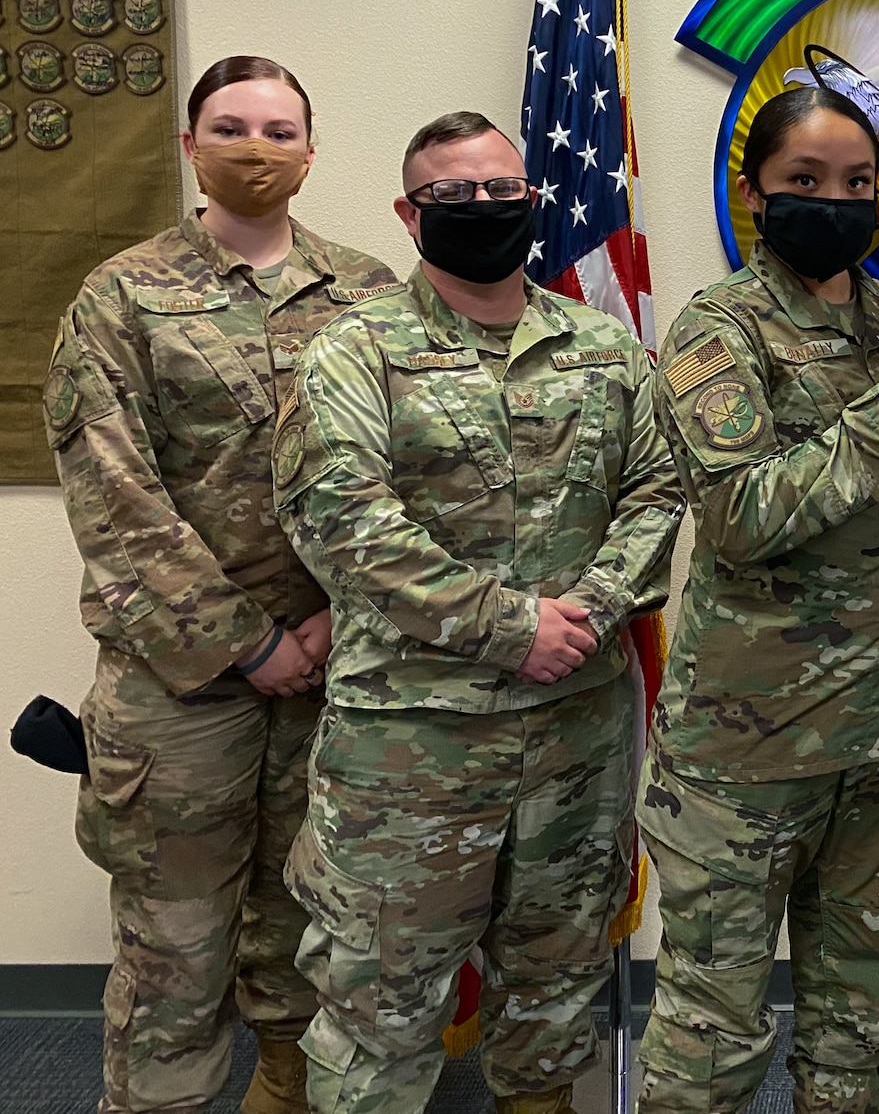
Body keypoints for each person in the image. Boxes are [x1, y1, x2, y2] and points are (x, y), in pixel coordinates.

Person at [273, 110, 682, 1114]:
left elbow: (658, 489)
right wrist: (512, 628)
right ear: (410, 214)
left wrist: (583, 612)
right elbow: (343, 521)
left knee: (552, 1004)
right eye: (455, 196)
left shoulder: (602, 345)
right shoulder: (353, 351)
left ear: (533, 202)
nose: (484, 210)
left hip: (574, 745)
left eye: (503, 191)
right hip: (410, 753)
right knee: (378, 1017)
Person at [44, 56, 398, 1114]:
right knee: (176, 956)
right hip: (182, 687)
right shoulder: (122, 295)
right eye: (232, 127)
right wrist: (251, 642)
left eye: (280, 131)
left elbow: (410, 470)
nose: (258, 148)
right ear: (190, 145)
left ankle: (285, 1094)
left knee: (314, 937)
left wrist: (341, 614)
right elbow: (115, 499)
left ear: (311, 150)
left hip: (336, 669)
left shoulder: (370, 293)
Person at [636, 85, 879, 1114]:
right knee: (712, 1029)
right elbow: (739, 516)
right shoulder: (716, 331)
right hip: (751, 751)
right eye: (804, 182)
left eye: (858, 183)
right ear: (754, 196)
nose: (835, 200)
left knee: (857, 1027)